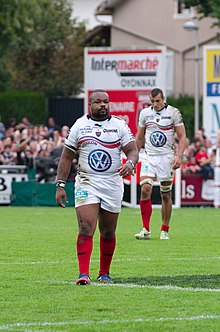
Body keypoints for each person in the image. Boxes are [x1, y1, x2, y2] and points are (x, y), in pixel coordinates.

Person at [55, 89, 139, 285]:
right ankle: (83, 274)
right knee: (85, 227)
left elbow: (133, 151)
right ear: (90, 105)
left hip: (112, 182)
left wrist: (130, 163)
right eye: (98, 102)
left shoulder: (119, 126)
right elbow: (67, 157)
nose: (103, 105)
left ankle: (104, 273)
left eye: (106, 102)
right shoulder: (80, 125)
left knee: (108, 231)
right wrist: (60, 184)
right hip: (87, 180)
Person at [134, 88, 186, 240]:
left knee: (165, 195)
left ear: (163, 99)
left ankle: (164, 229)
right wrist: (134, 158)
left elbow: (182, 137)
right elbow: (139, 137)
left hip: (166, 158)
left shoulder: (173, 113)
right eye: (152, 101)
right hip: (149, 156)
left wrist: (179, 156)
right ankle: (146, 229)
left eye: (158, 101)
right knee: (145, 189)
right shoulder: (145, 113)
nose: (155, 104)